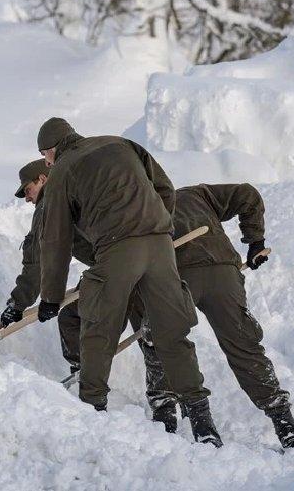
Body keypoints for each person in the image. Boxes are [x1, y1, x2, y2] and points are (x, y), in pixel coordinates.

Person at [34, 117, 223, 447]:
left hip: (118, 247)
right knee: (172, 331)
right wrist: (156, 225)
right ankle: (203, 423)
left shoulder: (62, 170)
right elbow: (165, 188)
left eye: (44, 156)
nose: (46, 163)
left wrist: (50, 296)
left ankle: (93, 411)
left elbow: (56, 238)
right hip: (160, 245)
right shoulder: (121, 144)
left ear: (52, 149)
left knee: (99, 329)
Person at [0, 159, 174, 429]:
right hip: (145, 260)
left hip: (116, 270)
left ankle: (89, 384)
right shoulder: (80, 190)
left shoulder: (50, 205)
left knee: (87, 321)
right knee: (148, 332)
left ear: (43, 179)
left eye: (28, 190)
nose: (27, 198)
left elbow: (38, 259)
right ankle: (164, 406)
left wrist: (18, 303)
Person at [157, 183, 294, 450]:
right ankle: (286, 427)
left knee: (166, 342)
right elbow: (247, 194)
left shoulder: (140, 205)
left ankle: (188, 421)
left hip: (178, 276)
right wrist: (255, 242)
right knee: (244, 346)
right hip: (223, 273)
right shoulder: (197, 194)